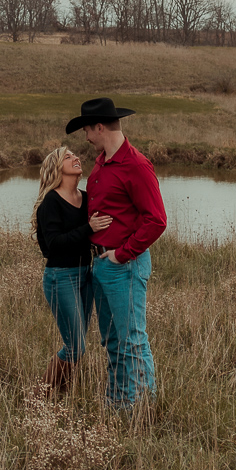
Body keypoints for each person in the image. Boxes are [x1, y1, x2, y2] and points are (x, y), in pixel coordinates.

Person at [67, 97, 166, 411]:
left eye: (87, 130)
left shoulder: (136, 165)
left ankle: (143, 407)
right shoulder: (101, 162)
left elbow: (157, 220)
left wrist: (122, 255)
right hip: (101, 265)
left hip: (124, 265)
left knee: (132, 339)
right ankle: (119, 401)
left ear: (99, 127)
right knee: (111, 340)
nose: (85, 137)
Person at [32, 145, 113, 397]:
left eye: (75, 155)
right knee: (75, 347)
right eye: (68, 157)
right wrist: (88, 228)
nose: (75, 158)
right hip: (60, 277)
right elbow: (53, 246)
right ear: (57, 169)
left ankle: (61, 395)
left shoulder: (86, 198)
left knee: (77, 346)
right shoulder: (51, 202)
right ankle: (37, 397)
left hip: (85, 275)